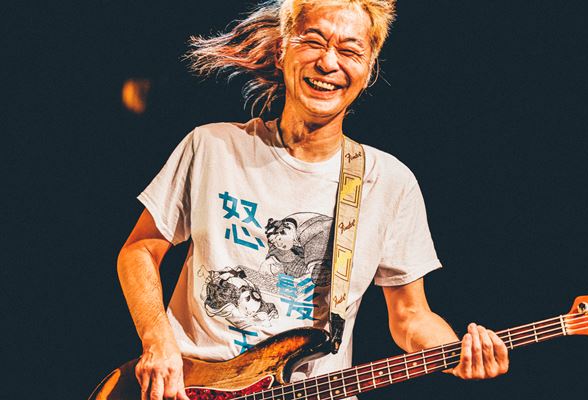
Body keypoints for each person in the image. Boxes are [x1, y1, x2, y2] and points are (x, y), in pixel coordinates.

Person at [117, 1, 509, 399]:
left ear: (369, 68)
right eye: (314, 41)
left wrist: (457, 354)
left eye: (350, 50)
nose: (328, 62)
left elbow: (410, 315)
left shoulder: (388, 182)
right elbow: (140, 250)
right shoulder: (211, 146)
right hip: (195, 388)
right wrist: (158, 342)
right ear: (281, 50)